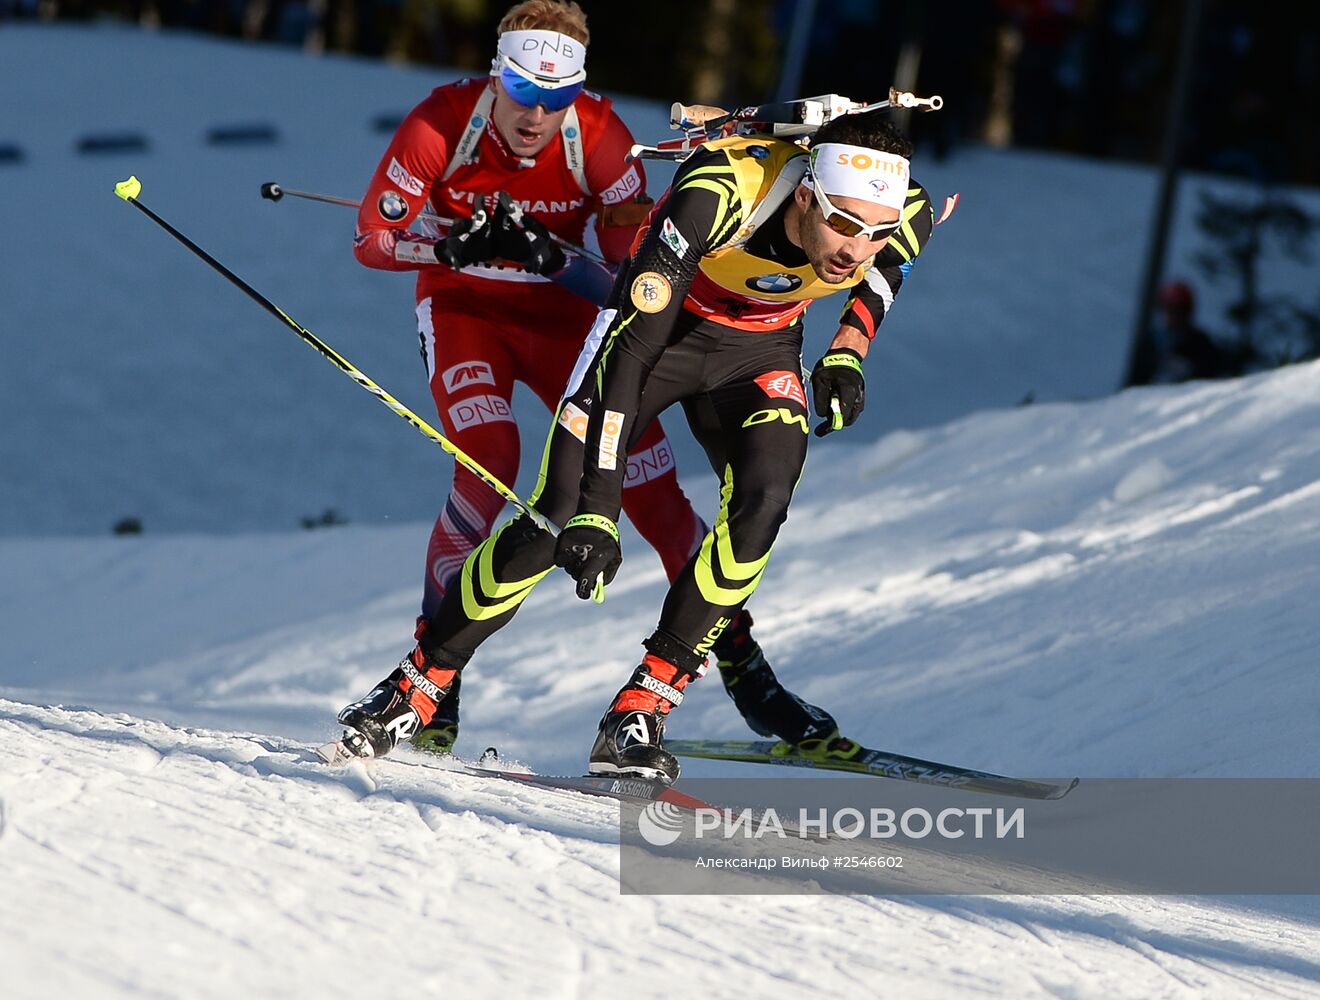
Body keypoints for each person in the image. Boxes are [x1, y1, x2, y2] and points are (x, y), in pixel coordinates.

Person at [347, 0, 832, 756]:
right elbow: (372, 241)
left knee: (658, 500)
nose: (537, 116)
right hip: (463, 312)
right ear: (496, 75)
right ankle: (432, 678)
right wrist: (447, 249)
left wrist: (548, 256)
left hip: (565, 325)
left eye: (557, 96)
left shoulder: (601, 139)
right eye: (522, 92)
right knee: (490, 468)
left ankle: (743, 670)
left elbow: (628, 280)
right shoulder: (442, 122)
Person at [1129, 280, 1226, 385]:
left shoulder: (1201, 344)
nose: (1174, 316)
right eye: (1170, 310)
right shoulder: (1151, 342)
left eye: (1179, 311)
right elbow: (1137, 380)